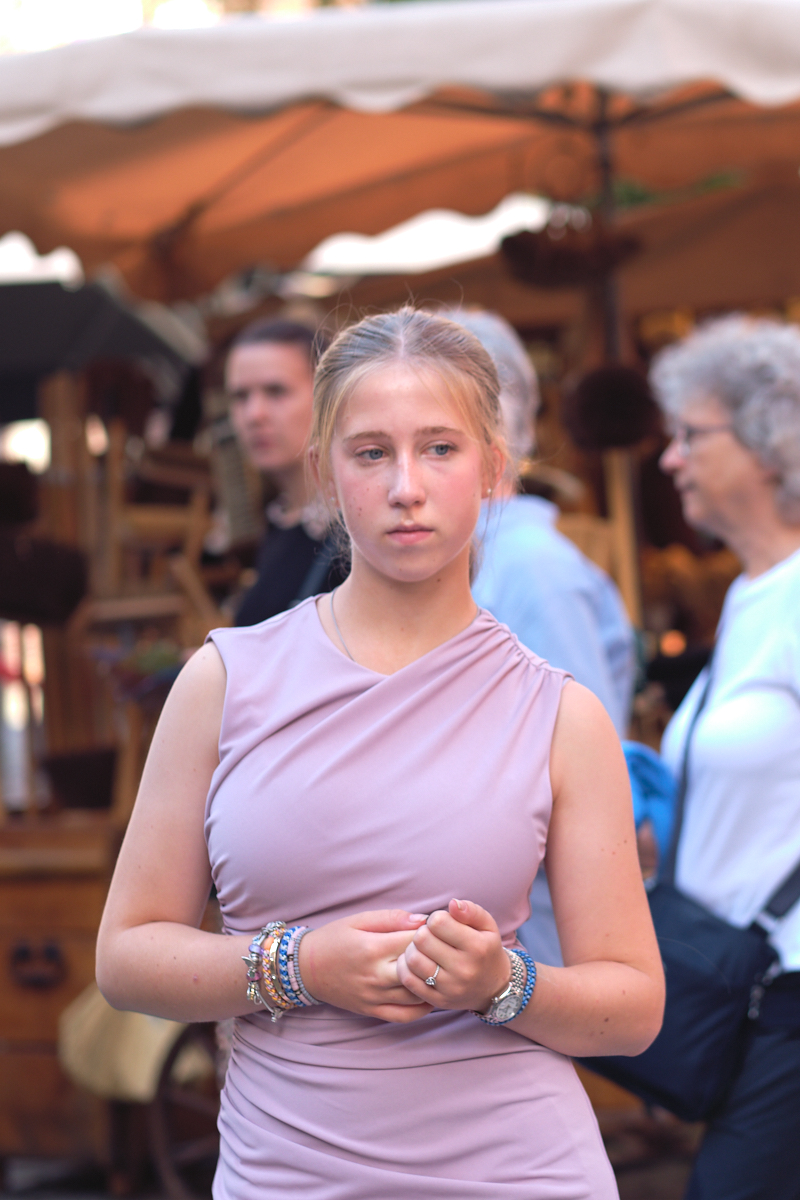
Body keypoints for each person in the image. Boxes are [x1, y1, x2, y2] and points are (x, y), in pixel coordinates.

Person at [96, 308, 663, 1199]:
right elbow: (126, 958)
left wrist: (502, 982)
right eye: (371, 453)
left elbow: (632, 1009)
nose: (407, 486)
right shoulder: (224, 681)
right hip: (287, 1172)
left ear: (494, 467)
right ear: (324, 472)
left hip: (522, 1169)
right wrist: (298, 966)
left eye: (440, 448)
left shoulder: (560, 714)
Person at [654, 316, 800, 1200]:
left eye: (690, 434)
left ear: (769, 442)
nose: (670, 458)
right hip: (751, 995)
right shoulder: (753, 593)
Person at [446, 309, 636, 965]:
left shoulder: (532, 570)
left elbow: (587, 790)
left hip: (534, 955)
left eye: (436, 439)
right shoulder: (471, 560)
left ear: (490, 432)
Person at [225, 317, 346, 624]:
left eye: (276, 391)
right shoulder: (280, 523)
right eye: (240, 397)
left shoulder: (355, 538)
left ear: (328, 397)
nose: (254, 414)